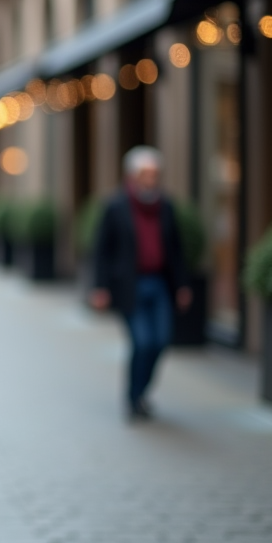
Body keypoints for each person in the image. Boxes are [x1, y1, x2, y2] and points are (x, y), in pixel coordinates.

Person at [90, 146, 192, 421]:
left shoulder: (166, 206)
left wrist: (182, 286)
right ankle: (133, 397)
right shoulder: (115, 206)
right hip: (130, 286)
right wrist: (99, 288)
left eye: (156, 173)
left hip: (159, 284)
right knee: (142, 342)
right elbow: (101, 250)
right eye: (147, 173)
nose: (152, 178)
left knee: (160, 341)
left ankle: (142, 391)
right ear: (133, 176)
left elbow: (176, 249)